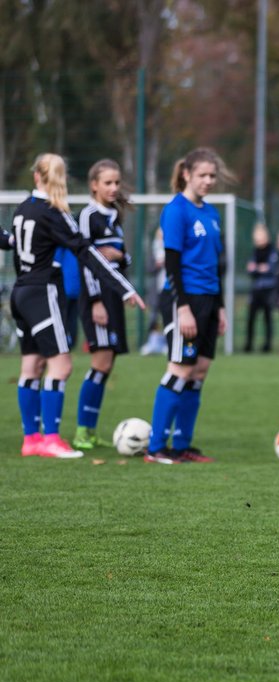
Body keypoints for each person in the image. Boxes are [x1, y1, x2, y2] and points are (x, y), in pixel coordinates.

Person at [11, 153, 144, 459]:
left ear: (36, 177)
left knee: (31, 366)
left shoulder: (22, 210)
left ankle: (31, 439)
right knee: (62, 366)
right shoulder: (54, 213)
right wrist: (124, 288)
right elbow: (86, 253)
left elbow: (11, 243)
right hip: (43, 292)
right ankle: (52, 439)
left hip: (21, 292)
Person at [145, 147, 232, 464]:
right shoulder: (176, 210)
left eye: (213, 176)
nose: (209, 181)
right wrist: (182, 307)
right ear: (187, 174)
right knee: (180, 368)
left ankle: (182, 445)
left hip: (209, 298)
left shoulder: (211, 213)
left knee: (200, 371)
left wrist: (220, 307)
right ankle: (156, 448)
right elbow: (172, 263)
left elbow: (215, 264)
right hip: (184, 299)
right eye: (203, 175)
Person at [72, 159, 135, 450]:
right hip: (95, 296)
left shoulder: (114, 215)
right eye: (107, 182)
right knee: (100, 361)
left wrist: (120, 258)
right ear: (94, 185)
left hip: (114, 296)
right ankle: (82, 430)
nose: (113, 188)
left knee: (108, 363)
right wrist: (96, 300)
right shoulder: (88, 216)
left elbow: (124, 257)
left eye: (116, 182)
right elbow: (87, 262)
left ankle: (91, 431)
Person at [243, 222, 277, 353]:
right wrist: (259, 269)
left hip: (268, 289)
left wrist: (258, 269)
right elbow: (251, 269)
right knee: (251, 317)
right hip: (256, 289)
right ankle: (249, 344)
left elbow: (270, 269)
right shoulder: (255, 252)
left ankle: (267, 344)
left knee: (267, 318)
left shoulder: (271, 251)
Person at [139, 226, 168, 355]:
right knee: (154, 316)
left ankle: (167, 343)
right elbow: (149, 268)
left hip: (170, 288)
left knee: (168, 317)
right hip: (156, 290)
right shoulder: (154, 249)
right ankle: (153, 341)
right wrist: (157, 264)